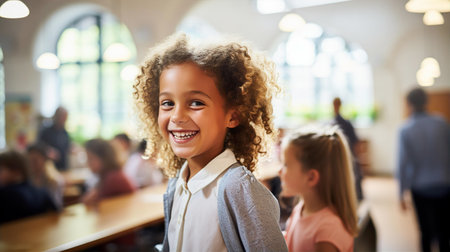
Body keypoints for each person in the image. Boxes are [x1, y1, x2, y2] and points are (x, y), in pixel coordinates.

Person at [133, 33, 288, 251]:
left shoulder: (238, 189)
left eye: (196, 103)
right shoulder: (176, 185)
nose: (177, 116)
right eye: (167, 103)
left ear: (232, 116)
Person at [280, 125, 358, 252]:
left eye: (285, 165)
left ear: (311, 177)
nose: (279, 171)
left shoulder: (327, 232)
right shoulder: (301, 208)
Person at [397, 87, 450, 252]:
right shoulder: (442, 123)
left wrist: (401, 193)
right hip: (445, 184)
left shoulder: (405, 129)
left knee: (425, 232)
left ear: (409, 104)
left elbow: (402, 164)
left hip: (420, 188)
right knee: (444, 231)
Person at [0, 150, 57, 224]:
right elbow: (55, 215)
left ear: (16, 171)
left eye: (1, 170)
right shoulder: (41, 192)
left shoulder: (5, 195)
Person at [82, 138, 136, 206]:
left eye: (91, 158)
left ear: (104, 158)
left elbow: (93, 202)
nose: (88, 163)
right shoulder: (109, 175)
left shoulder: (113, 178)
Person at [332, 97, 363, 201]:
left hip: (348, 155)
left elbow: (355, 142)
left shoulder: (345, 123)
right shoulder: (332, 123)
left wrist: (356, 156)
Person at [27, 142, 65, 209]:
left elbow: (56, 206)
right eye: (29, 161)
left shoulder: (54, 180)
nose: (31, 164)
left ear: (44, 159)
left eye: (35, 160)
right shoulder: (27, 179)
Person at [38, 106, 71, 171]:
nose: (64, 119)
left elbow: (67, 146)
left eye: (65, 117)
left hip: (63, 166)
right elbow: (39, 146)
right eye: (62, 116)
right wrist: (48, 151)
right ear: (56, 116)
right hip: (49, 167)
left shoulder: (64, 133)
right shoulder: (46, 131)